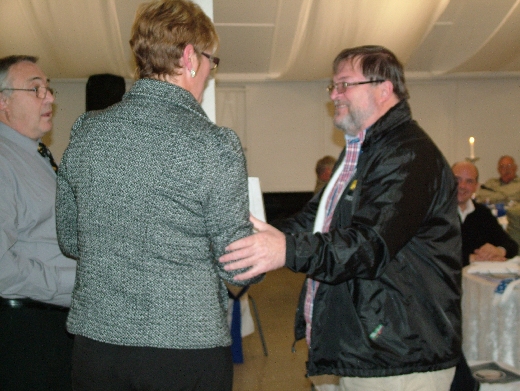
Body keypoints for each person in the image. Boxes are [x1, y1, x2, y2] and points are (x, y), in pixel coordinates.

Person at [220, 45, 462, 391]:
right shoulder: (360, 150)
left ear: (384, 88)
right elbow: (316, 220)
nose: (334, 94)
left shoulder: (407, 154)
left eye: (345, 84)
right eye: (333, 86)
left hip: (399, 355)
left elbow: (369, 245)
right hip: (362, 345)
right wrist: (258, 236)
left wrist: (285, 249)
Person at [55, 1, 262, 390]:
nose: (209, 74)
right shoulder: (213, 144)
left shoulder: (87, 131)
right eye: (211, 62)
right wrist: (265, 249)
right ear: (189, 57)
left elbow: (70, 239)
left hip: (97, 348)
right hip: (185, 352)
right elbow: (238, 266)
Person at [0, 55, 76, 390]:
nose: (49, 97)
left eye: (48, 88)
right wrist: (74, 281)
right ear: (3, 101)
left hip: (50, 327)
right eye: (35, 89)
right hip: (28, 331)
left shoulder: (34, 155)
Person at [453, 161, 518, 266]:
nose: (462, 186)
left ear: (476, 187)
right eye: (457, 179)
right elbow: (432, 252)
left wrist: (499, 251)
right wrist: (470, 258)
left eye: (469, 181)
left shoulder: (482, 213)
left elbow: (511, 245)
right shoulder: (436, 213)